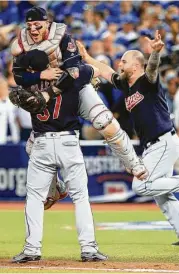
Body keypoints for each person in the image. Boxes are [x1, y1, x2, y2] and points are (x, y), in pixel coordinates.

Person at [11, 6, 148, 181]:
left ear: (47, 24)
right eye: (29, 25)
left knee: (104, 120)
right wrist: (41, 75)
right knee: (33, 146)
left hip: (73, 87)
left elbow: (74, 73)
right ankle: (54, 188)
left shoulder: (63, 39)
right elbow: (18, 75)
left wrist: (50, 91)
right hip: (45, 90)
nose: (32, 30)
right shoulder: (21, 44)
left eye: (37, 25)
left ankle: (133, 162)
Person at [77, 30, 179, 244]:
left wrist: (155, 53)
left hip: (162, 141)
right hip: (154, 144)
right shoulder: (127, 84)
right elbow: (105, 72)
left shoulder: (146, 81)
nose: (119, 64)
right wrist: (87, 58)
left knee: (141, 186)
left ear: (135, 65)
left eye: (123, 61)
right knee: (163, 196)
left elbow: (151, 68)